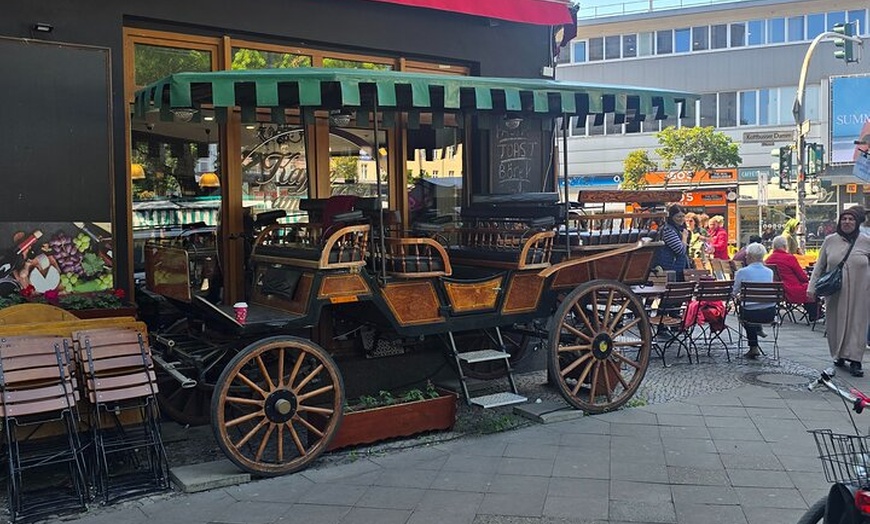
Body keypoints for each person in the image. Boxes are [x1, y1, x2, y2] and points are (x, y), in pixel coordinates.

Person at [808, 205, 870, 377]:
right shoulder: (830, 240)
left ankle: (856, 359)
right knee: (835, 323)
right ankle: (839, 355)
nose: (847, 222)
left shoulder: (866, 241)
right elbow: (820, 266)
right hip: (836, 291)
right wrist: (811, 287)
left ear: (856, 223)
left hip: (861, 291)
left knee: (858, 324)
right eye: (844, 219)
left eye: (851, 219)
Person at [732, 243, 775, 359]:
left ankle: (753, 347)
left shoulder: (742, 272)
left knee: (745, 313)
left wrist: (738, 297)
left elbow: (734, 292)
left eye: (746, 256)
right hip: (769, 313)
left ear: (750, 257)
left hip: (750, 314)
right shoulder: (769, 272)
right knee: (754, 307)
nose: (745, 258)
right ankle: (758, 329)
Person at [766, 235, 819, 322]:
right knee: (811, 287)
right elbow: (803, 277)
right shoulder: (789, 258)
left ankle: (813, 313)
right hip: (791, 290)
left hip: (778, 291)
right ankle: (814, 314)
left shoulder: (768, 259)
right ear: (785, 246)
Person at [651, 204, 690, 281]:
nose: (681, 219)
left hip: (678, 268)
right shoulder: (668, 230)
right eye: (678, 216)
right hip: (671, 269)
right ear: (671, 217)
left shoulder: (678, 229)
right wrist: (684, 237)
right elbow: (680, 250)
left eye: (683, 216)